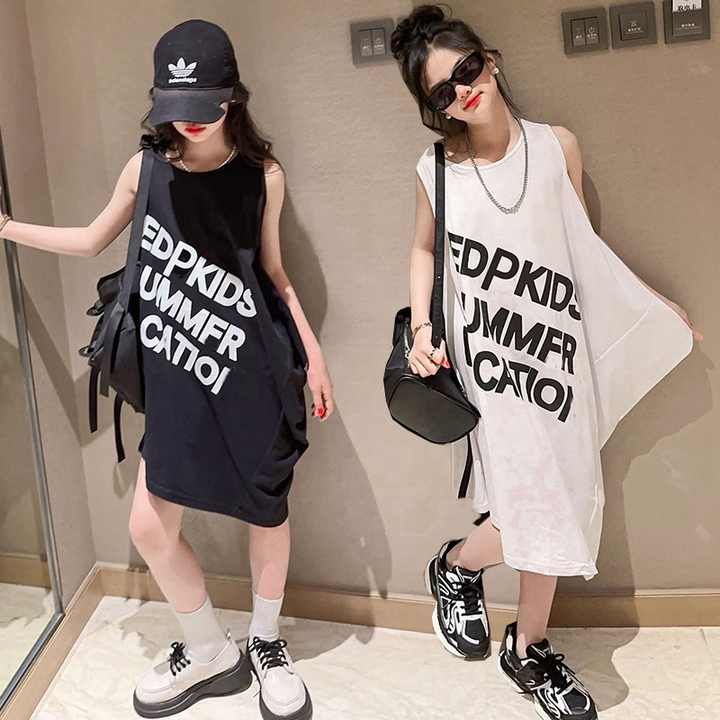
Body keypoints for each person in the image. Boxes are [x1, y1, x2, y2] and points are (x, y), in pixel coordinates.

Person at [0, 19, 332, 720]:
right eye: (175, 107)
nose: (189, 121)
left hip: (252, 369)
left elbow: (274, 273)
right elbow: (92, 239)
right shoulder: (145, 168)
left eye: (202, 106)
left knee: (267, 510)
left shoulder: (263, 175)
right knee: (151, 526)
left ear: (232, 97)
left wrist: (313, 353)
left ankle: (266, 641)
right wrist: (6, 228)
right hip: (177, 373)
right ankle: (210, 650)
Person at [389, 6, 701, 720]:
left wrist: (651, 305)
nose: (464, 91)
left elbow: (584, 252)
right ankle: (525, 644)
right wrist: (422, 326)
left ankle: (459, 568)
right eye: (443, 91)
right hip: (490, 363)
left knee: (564, 495)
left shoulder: (557, 146)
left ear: (490, 60)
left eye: (469, 70)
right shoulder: (436, 170)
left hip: (558, 354)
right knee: (538, 502)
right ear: (434, 108)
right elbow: (423, 250)